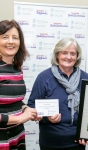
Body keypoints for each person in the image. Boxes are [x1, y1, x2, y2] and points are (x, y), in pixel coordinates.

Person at [27, 37, 88, 150]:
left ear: (77, 57)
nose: (68, 57)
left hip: (77, 142)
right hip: (50, 142)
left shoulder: (86, 78)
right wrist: (47, 118)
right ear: (57, 55)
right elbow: (32, 106)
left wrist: (87, 134)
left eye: (72, 53)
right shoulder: (44, 77)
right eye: (64, 53)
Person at [0, 20, 37, 150]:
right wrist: (20, 119)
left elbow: (14, 101)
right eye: (5, 37)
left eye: (15, 37)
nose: (11, 41)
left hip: (17, 136)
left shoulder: (17, 69)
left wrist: (25, 109)